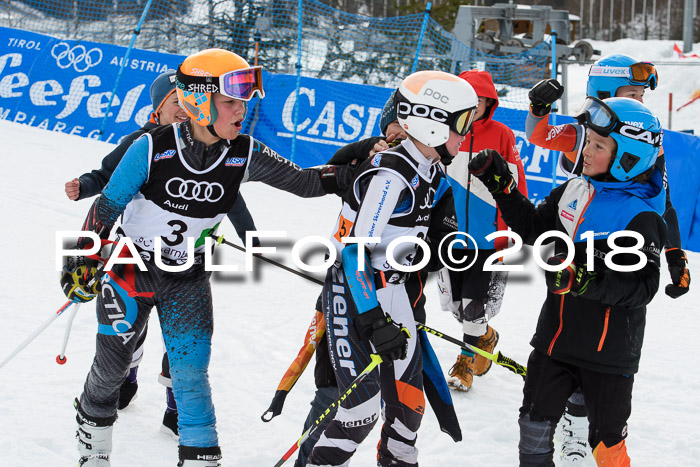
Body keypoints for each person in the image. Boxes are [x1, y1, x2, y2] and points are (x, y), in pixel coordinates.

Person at [59, 48, 353, 467]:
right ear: (199, 99)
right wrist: (80, 260)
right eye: (230, 100)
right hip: (130, 270)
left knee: (191, 378)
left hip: (187, 280)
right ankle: (94, 450)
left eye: (244, 99)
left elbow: (306, 182)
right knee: (111, 369)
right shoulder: (150, 147)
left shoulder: (243, 152)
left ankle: (199, 458)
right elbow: (105, 207)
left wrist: (362, 164)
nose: (242, 109)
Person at [64, 69, 262, 438]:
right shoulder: (144, 142)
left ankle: (175, 405)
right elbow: (106, 175)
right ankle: (126, 377)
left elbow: (232, 199)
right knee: (129, 330)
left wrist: (250, 236)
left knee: (184, 340)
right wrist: (85, 186)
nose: (184, 111)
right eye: (176, 104)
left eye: (189, 104)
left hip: (187, 264)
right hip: (136, 256)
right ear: (158, 109)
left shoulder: (216, 149)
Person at [469, 97, 666, 466]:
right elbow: (532, 227)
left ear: (628, 157)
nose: (585, 151)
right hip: (554, 343)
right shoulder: (574, 191)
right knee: (533, 427)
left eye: (597, 145)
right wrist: (502, 185)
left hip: (608, 357)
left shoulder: (639, 215)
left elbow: (643, 286)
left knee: (606, 447)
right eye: (587, 140)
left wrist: (586, 280)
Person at [306, 70, 478, 467]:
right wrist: (371, 319)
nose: (464, 135)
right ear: (432, 123)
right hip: (354, 294)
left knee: (409, 406)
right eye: (462, 123)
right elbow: (353, 253)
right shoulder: (392, 174)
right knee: (360, 411)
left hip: (392, 293)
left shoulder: (431, 167)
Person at [526, 53, 691, 463]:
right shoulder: (588, 130)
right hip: (578, 227)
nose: (639, 101)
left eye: (640, 95)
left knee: (602, 340)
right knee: (569, 334)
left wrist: (674, 254)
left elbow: (661, 200)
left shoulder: (637, 139)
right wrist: (538, 109)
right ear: (602, 94)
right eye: (630, 93)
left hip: (618, 242)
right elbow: (540, 135)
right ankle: (572, 422)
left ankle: (582, 426)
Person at [435, 69, 528, 392]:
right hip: (451, 236)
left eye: (481, 103)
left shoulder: (502, 134)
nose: (475, 109)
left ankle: (465, 364)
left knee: (474, 307)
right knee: (458, 307)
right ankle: (485, 338)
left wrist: (509, 230)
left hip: (486, 237)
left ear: (491, 104)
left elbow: (516, 186)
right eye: (469, 102)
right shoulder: (443, 132)